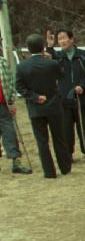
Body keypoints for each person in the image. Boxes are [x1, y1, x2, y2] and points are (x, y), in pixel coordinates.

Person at [16, 34, 69, 178]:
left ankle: (49, 172)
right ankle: (65, 167)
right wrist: (51, 59)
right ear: (43, 47)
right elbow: (62, 75)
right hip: (53, 106)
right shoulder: (51, 64)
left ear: (28, 48)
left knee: (42, 141)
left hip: (35, 108)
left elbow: (20, 88)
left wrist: (35, 97)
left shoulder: (22, 66)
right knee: (59, 137)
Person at [46, 29, 85, 162]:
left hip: (81, 99)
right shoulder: (58, 56)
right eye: (59, 39)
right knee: (66, 130)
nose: (62, 41)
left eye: (64, 38)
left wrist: (83, 86)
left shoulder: (83, 55)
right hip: (64, 99)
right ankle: (68, 154)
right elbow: (49, 65)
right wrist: (50, 47)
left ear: (71, 39)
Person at [0, 44, 32, 174]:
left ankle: (16, 162)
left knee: (10, 133)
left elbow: (9, 83)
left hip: (3, 105)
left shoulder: (2, 62)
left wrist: (12, 101)